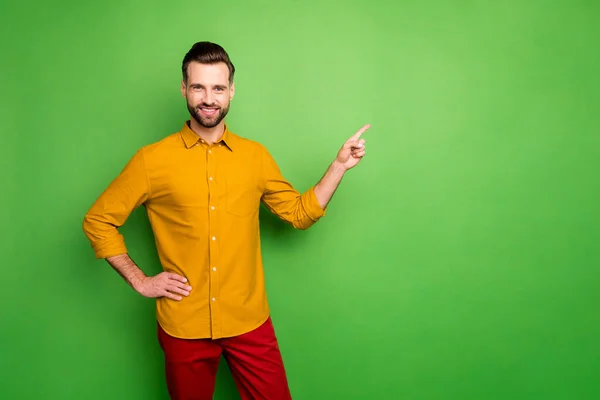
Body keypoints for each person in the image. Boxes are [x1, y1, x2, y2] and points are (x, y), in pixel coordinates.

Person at [82, 41, 369, 400]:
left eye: (218, 88)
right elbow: (98, 221)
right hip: (183, 326)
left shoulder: (255, 157)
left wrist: (339, 166)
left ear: (231, 91)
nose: (208, 98)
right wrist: (140, 280)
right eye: (198, 87)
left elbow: (299, 213)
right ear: (184, 89)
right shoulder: (151, 161)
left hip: (249, 322)